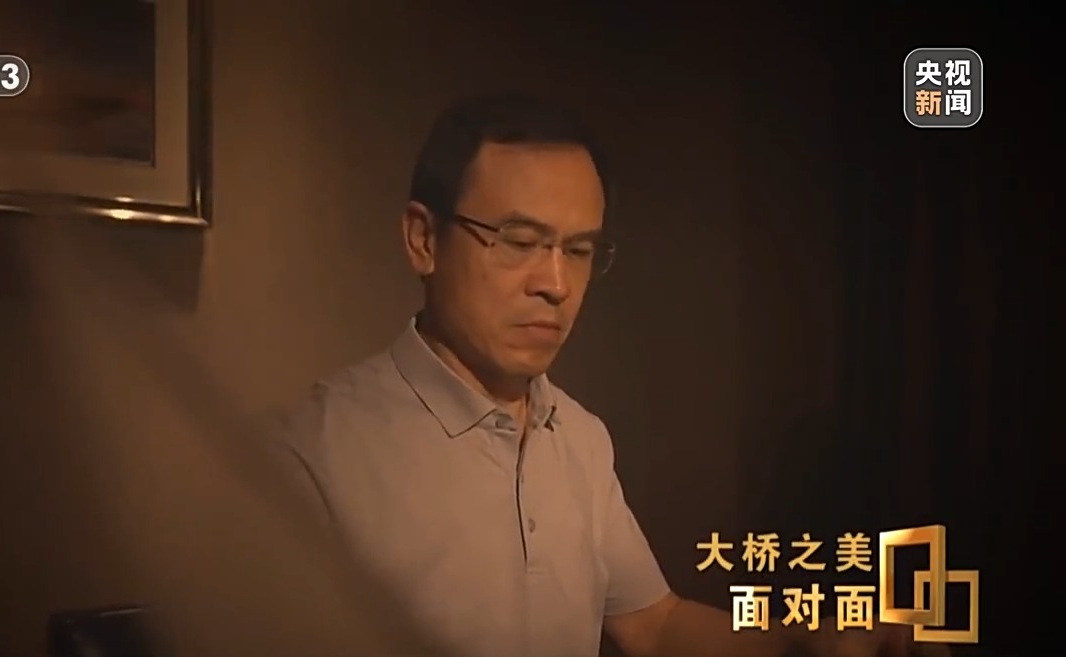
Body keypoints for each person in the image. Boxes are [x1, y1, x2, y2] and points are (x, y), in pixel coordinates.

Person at [270, 93, 923, 657]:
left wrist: (803, 642)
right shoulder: (317, 456)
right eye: (519, 242)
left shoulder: (580, 438)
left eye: (579, 250)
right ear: (423, 240)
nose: (557, 284)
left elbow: (655, 625)